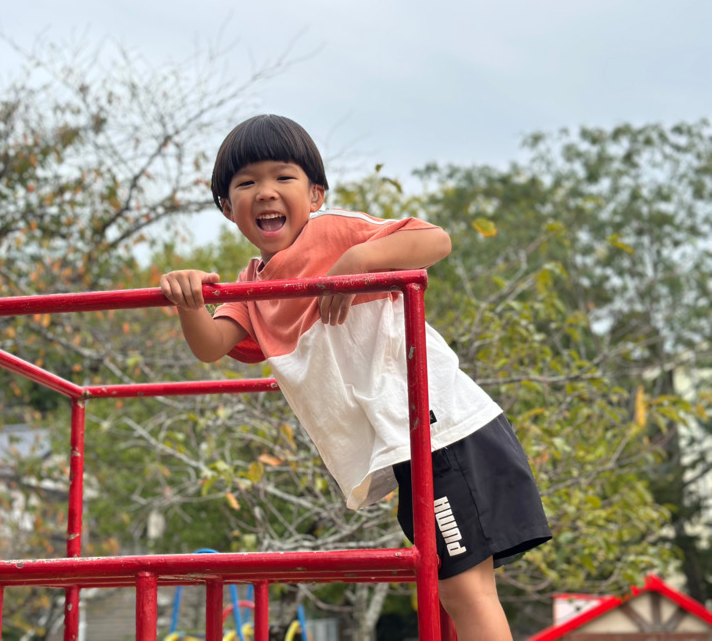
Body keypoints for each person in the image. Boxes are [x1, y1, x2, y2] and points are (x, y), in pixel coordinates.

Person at [160, 114, 551, 640]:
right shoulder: (252, 287)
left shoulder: (334, 233)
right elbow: (210, 345)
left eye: (283, 177)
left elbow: (436, 241)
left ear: (316, 194)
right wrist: (190, 298)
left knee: (463, 591)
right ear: (228, 208)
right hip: (409, 445)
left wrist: (360, 260)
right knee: (450, 589)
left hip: (441, 430)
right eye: (247, 183)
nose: (266, 193)